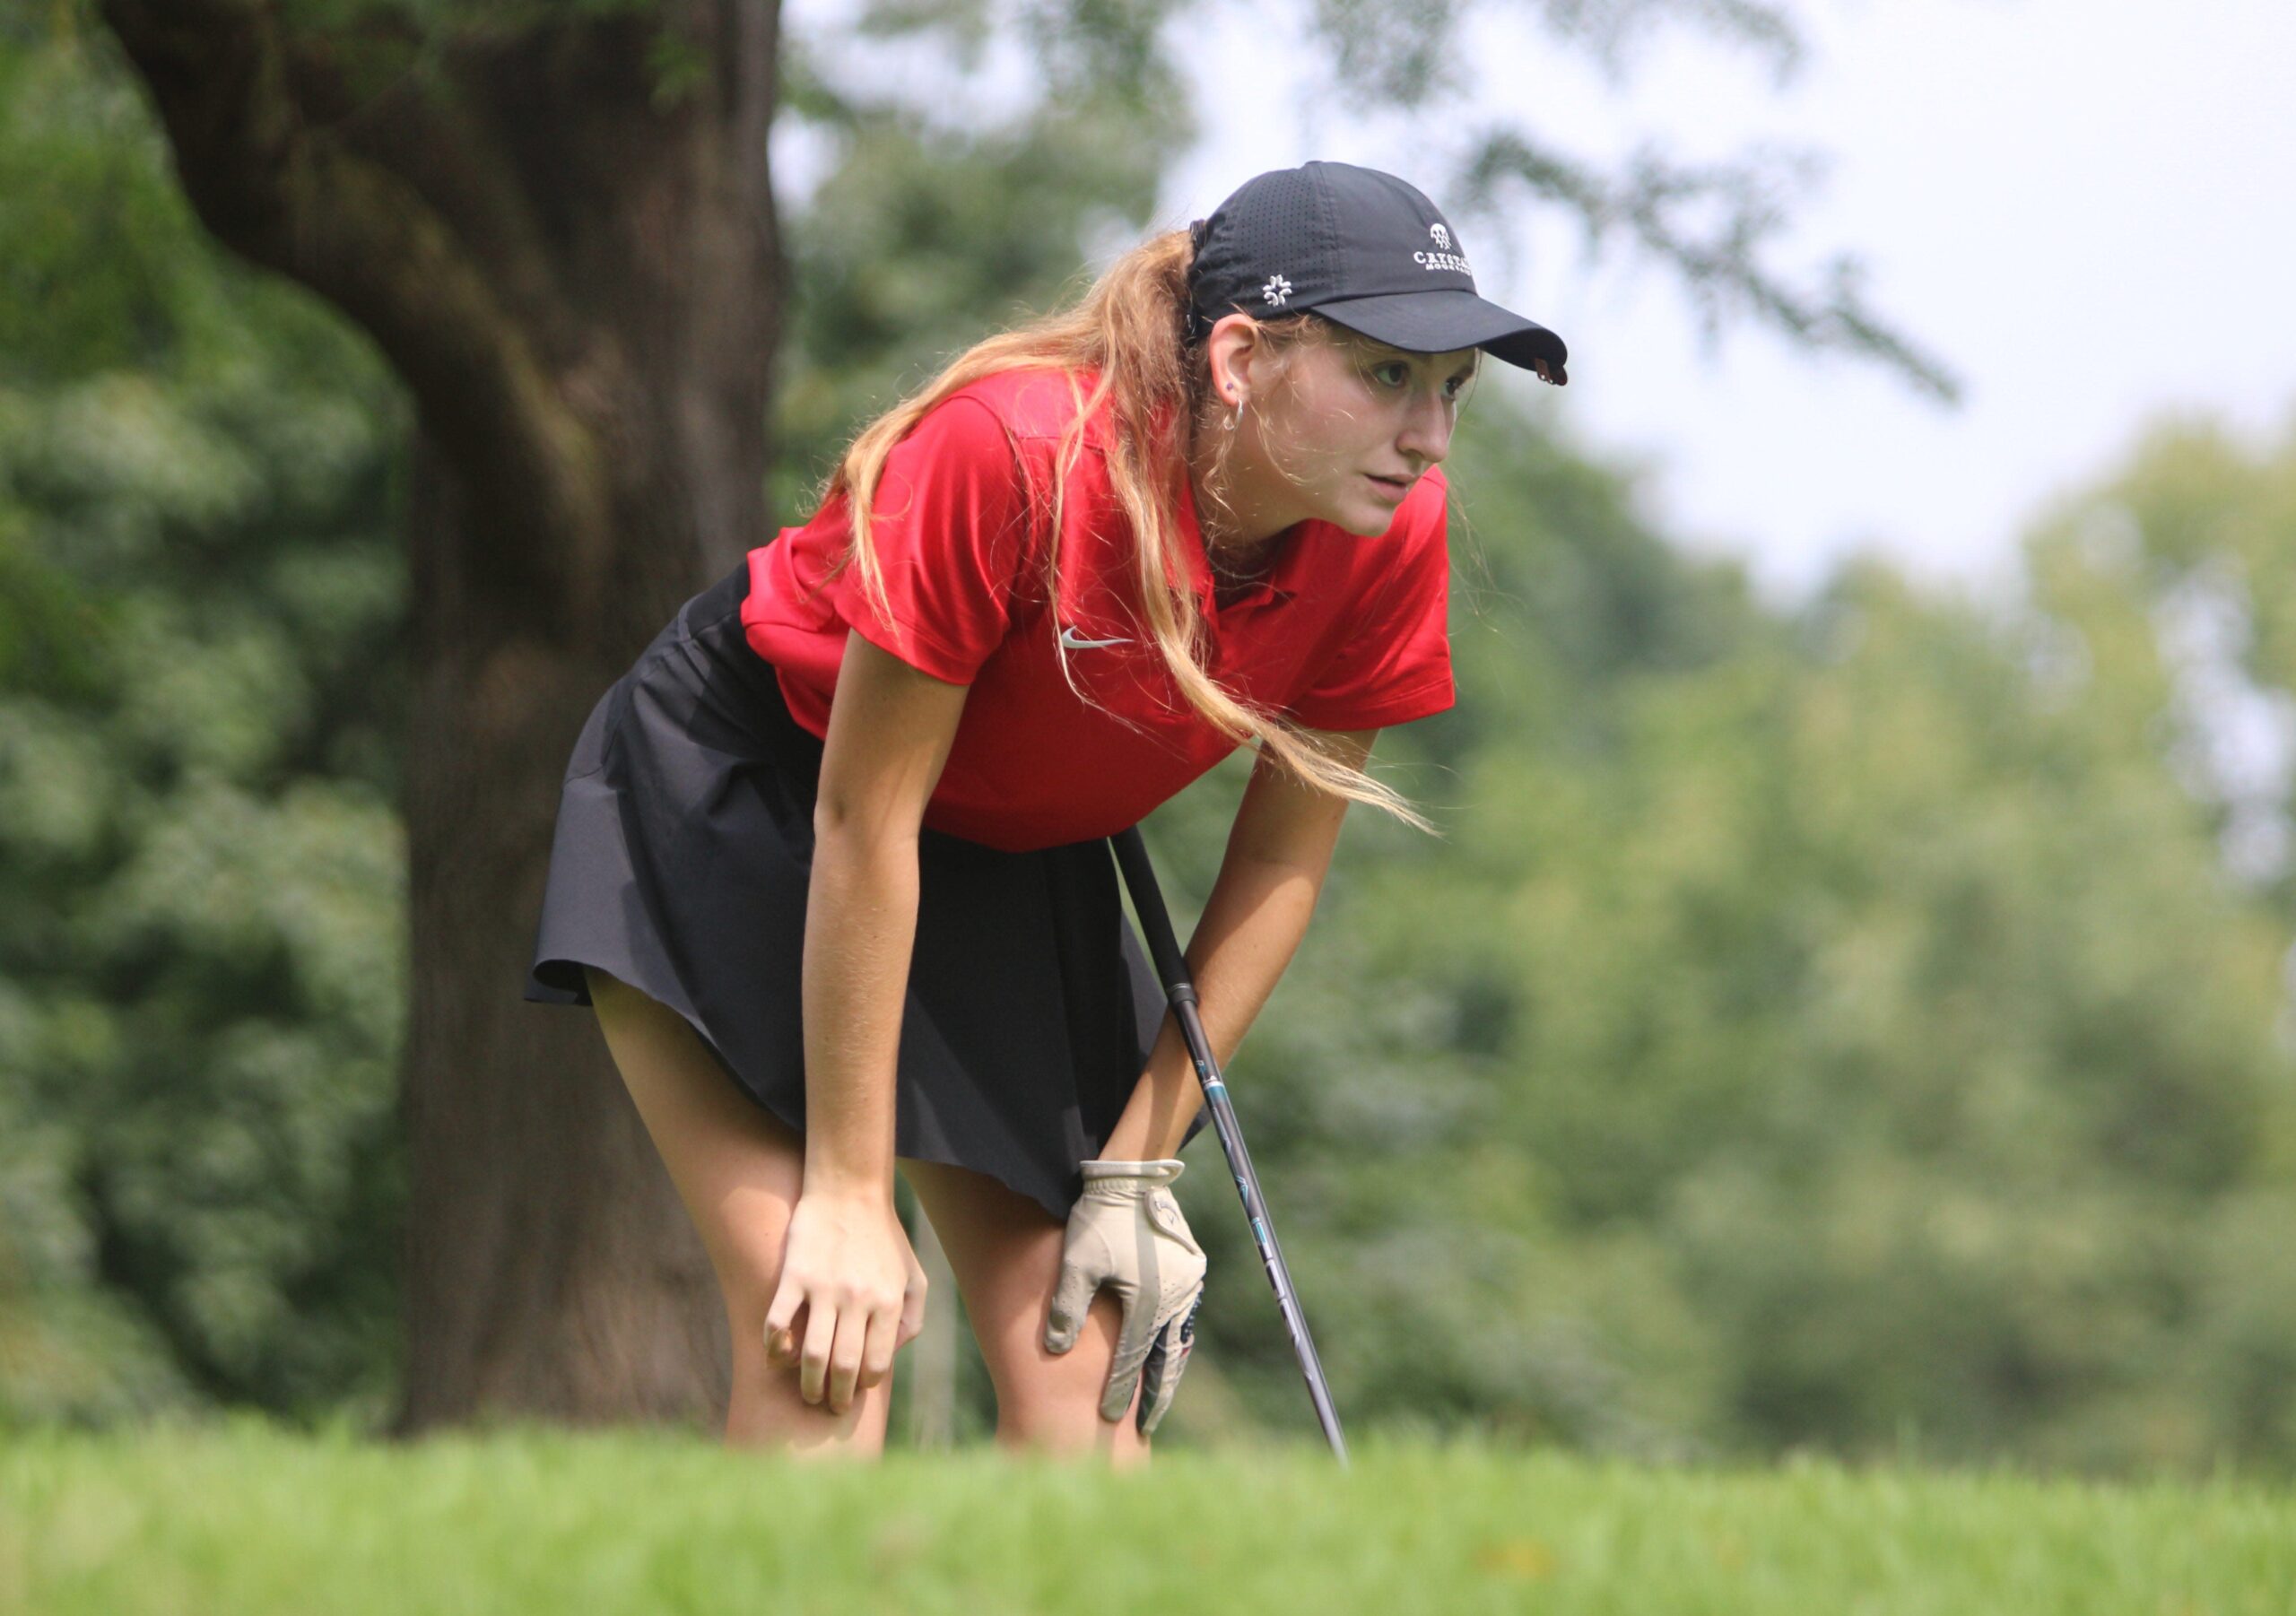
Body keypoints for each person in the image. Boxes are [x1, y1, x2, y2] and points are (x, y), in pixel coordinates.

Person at [522, 159, 1569, 1464]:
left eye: (1450, 390)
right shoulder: (1010, 451)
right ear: (1240, 357)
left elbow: (1280, 871)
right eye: (1386, 376)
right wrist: (851, 1192)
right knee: (831, 1333)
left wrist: (1140, 1166)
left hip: (1005, 854)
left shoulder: (1388, 535)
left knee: (1089, 1383)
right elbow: (863, 819)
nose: (1429, 436)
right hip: (753, 797)